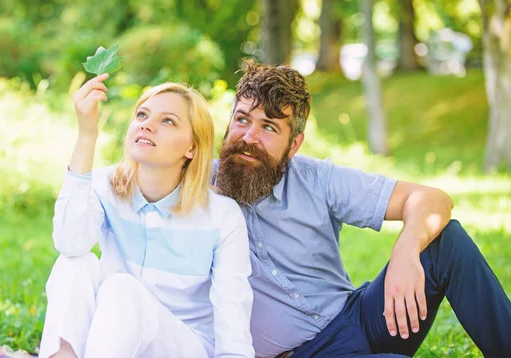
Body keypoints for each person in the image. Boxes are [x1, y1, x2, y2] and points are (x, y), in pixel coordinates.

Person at [212, 60, 511, 358]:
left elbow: (433, 200)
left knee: (447, 241)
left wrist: (405, 251)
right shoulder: (195, 187)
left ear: (293, 145)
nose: (249, 137)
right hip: (303, 354)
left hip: (361, 318)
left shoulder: (315, 179)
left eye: (268, 127)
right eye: (242, 120)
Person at [39, 74, 254, 358]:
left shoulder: (222, 216)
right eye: (142, 114)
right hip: (113, 340)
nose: (147, 125)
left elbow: (233, 319)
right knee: (75, 264)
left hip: (182, 346)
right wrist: (87, 135)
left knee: (122, 288)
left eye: (168, 121)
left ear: (192, 147)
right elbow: (69, 242)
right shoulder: (106, 186)